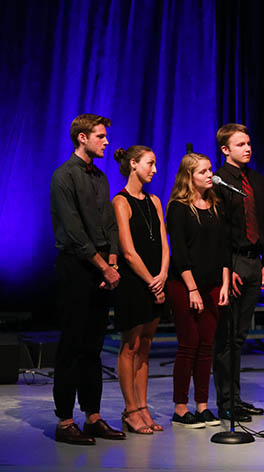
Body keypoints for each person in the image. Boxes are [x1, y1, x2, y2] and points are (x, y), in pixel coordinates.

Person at [49, 113, 126, 444]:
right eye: (100, 136)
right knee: (72, 344)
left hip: (101, 270)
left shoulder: (100, 177)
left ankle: (92, 415)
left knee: (94, 346)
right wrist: (103, 266)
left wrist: (112, 260)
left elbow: (108, 223)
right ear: (82, 138)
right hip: (77, 268)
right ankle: (65, 421)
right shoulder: (63, 177)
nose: (106, 141)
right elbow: (73, 232)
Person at [212, 123, 264, 423]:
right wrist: (226, 269)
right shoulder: (219, 181)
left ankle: (236, 398)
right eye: (240, 144)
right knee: (226, 338)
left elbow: (263, 219)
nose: (247, 148)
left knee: (240, 336)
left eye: (248, 143)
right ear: (225, 150)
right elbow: (219, 231)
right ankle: (225, 401)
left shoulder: (257, 179)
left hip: (253, 261)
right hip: (233, 262)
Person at [165, 153, 230, 428]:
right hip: (185, 285)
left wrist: (225, 283)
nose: (209, 175)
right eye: (203, 171)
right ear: (189, 176)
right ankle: (181, 408)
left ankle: (203, 406)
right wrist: (192, 289)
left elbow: (224, 249)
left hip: (214, 284)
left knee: (206, 347)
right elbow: (180, 253)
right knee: (188, 345)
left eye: (210, 170)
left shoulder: (216, 205)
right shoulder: (179, 208)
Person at [112, 146, 169, 434]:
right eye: (150, 163)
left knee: (146, 345)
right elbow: (128, 251)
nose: (154, 170)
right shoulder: (120, 202)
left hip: (156, 280)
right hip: (135, 282)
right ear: (133, 164)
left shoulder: (154, 201)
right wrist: (151, 281)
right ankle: (130, 409)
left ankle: (143, 406)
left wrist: (162, 275)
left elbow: (163, 243)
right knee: (131, 345)